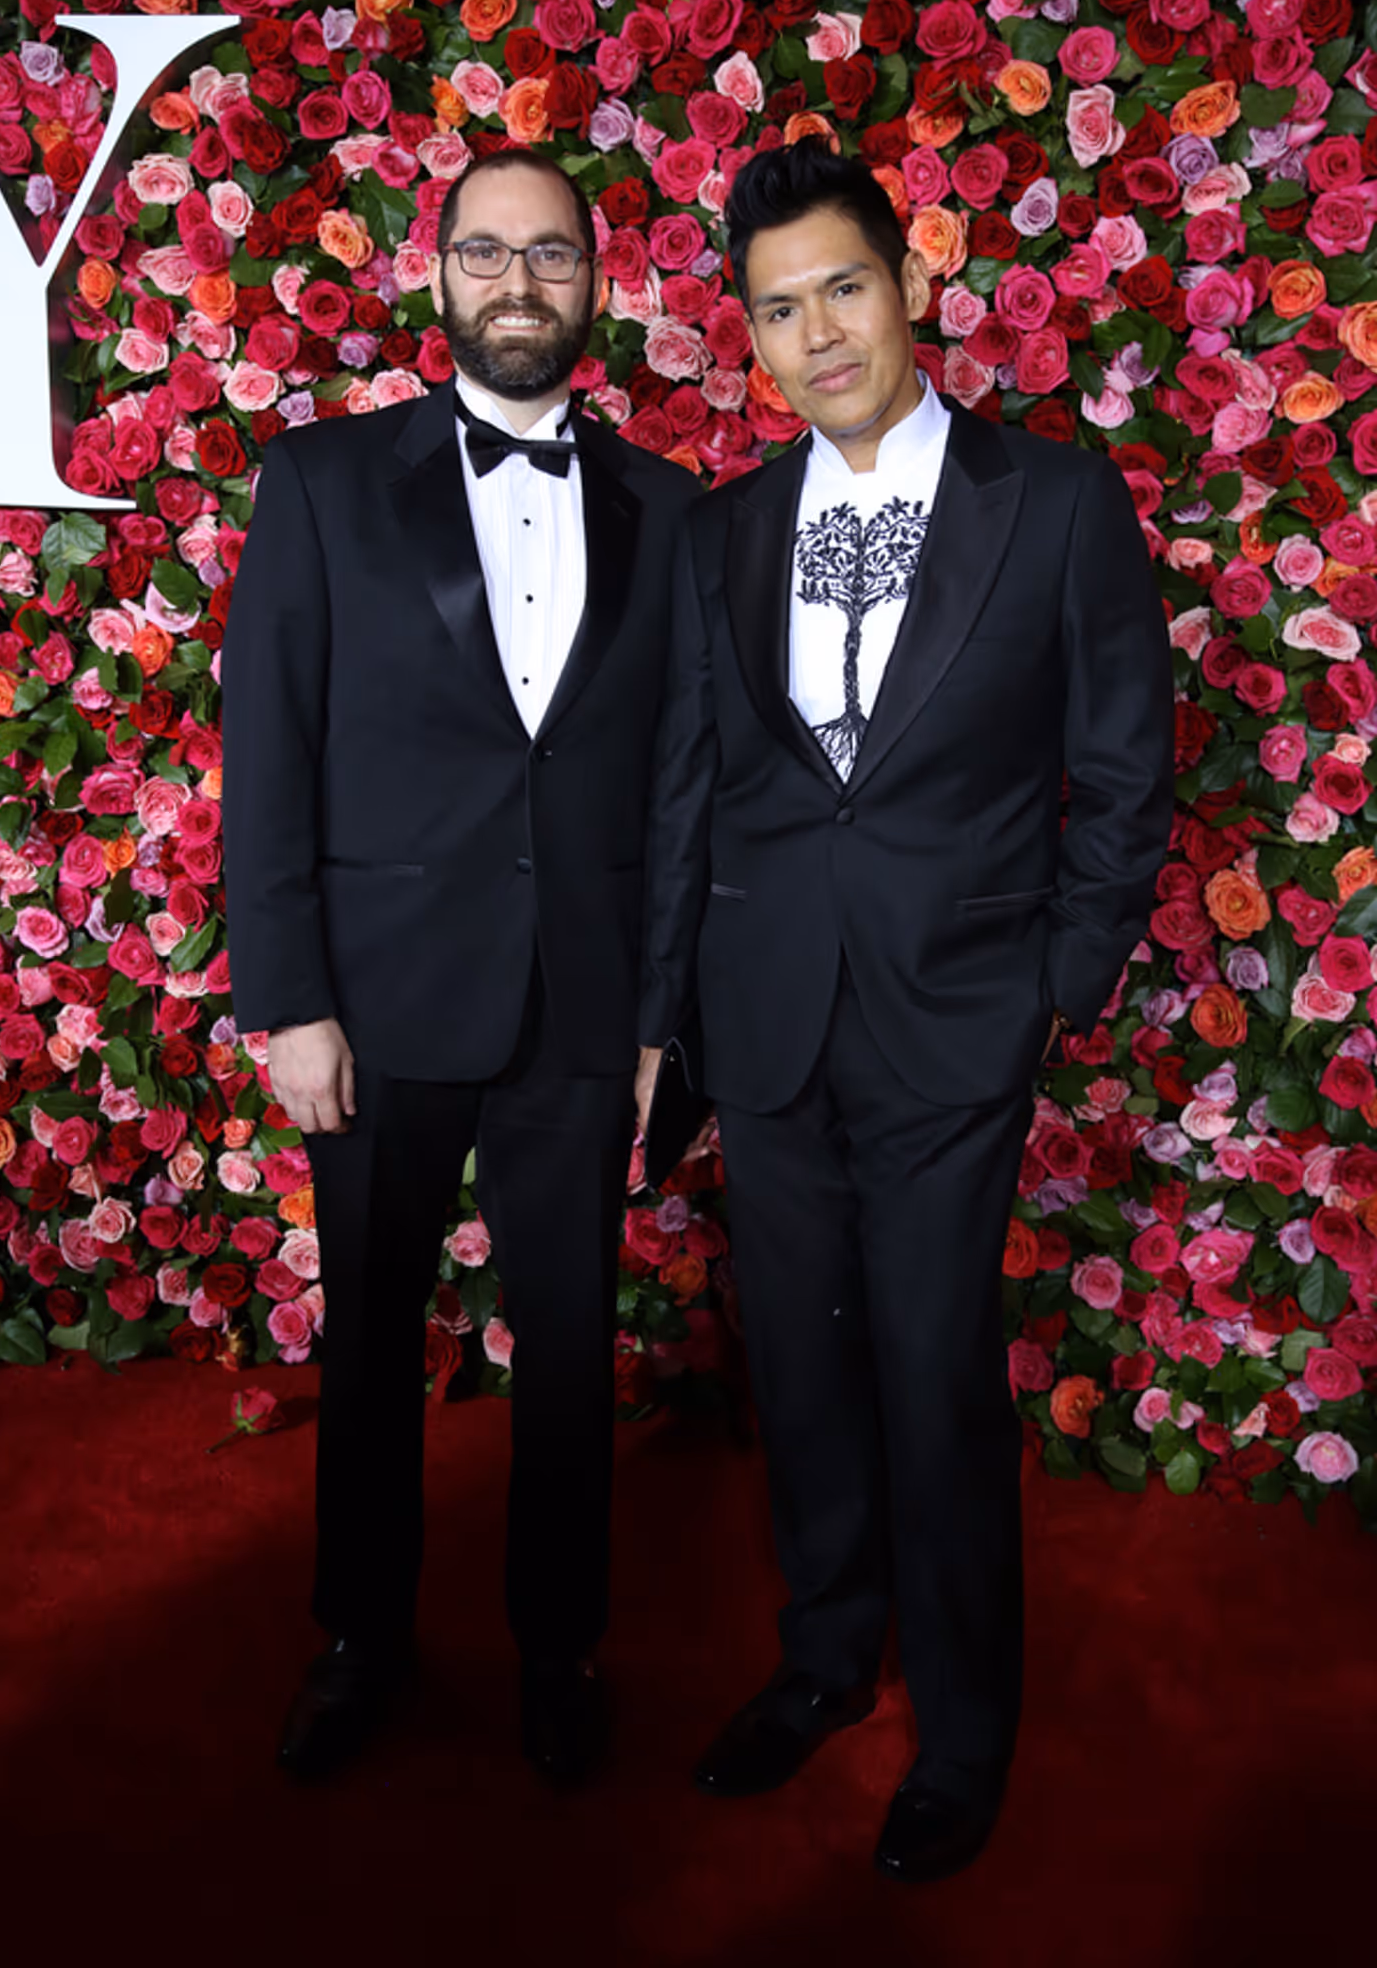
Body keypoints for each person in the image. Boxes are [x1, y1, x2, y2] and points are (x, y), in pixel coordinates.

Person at [640, 142, 1173, 1881]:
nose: (817, 335)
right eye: (778, 310)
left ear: (914, 283)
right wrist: (674, 1011)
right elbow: (699, 787)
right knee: (795, 1371)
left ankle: (962, 1727)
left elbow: (1121, 768)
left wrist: (1053, 989)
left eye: (843, 289)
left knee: (938, 1380)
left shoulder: (1061, 507)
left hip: (958, 1023)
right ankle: (819, 1664)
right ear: (753, 339)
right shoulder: (725, 532)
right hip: (769, 1015)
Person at [223, 151, 699, 1787]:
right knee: (369, 1340)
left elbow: (684, 779)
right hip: (374, 999)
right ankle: (362, 1637)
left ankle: (558, 1649)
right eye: (487, 253)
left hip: (580, 1007)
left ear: (596, 284)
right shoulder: (324, 482)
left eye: (551, 256)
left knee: (570, 1349)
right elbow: (267, 749)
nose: (519, 283)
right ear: (438, 278)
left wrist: (657, 1020)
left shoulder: (672, 508)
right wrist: (288, 998)